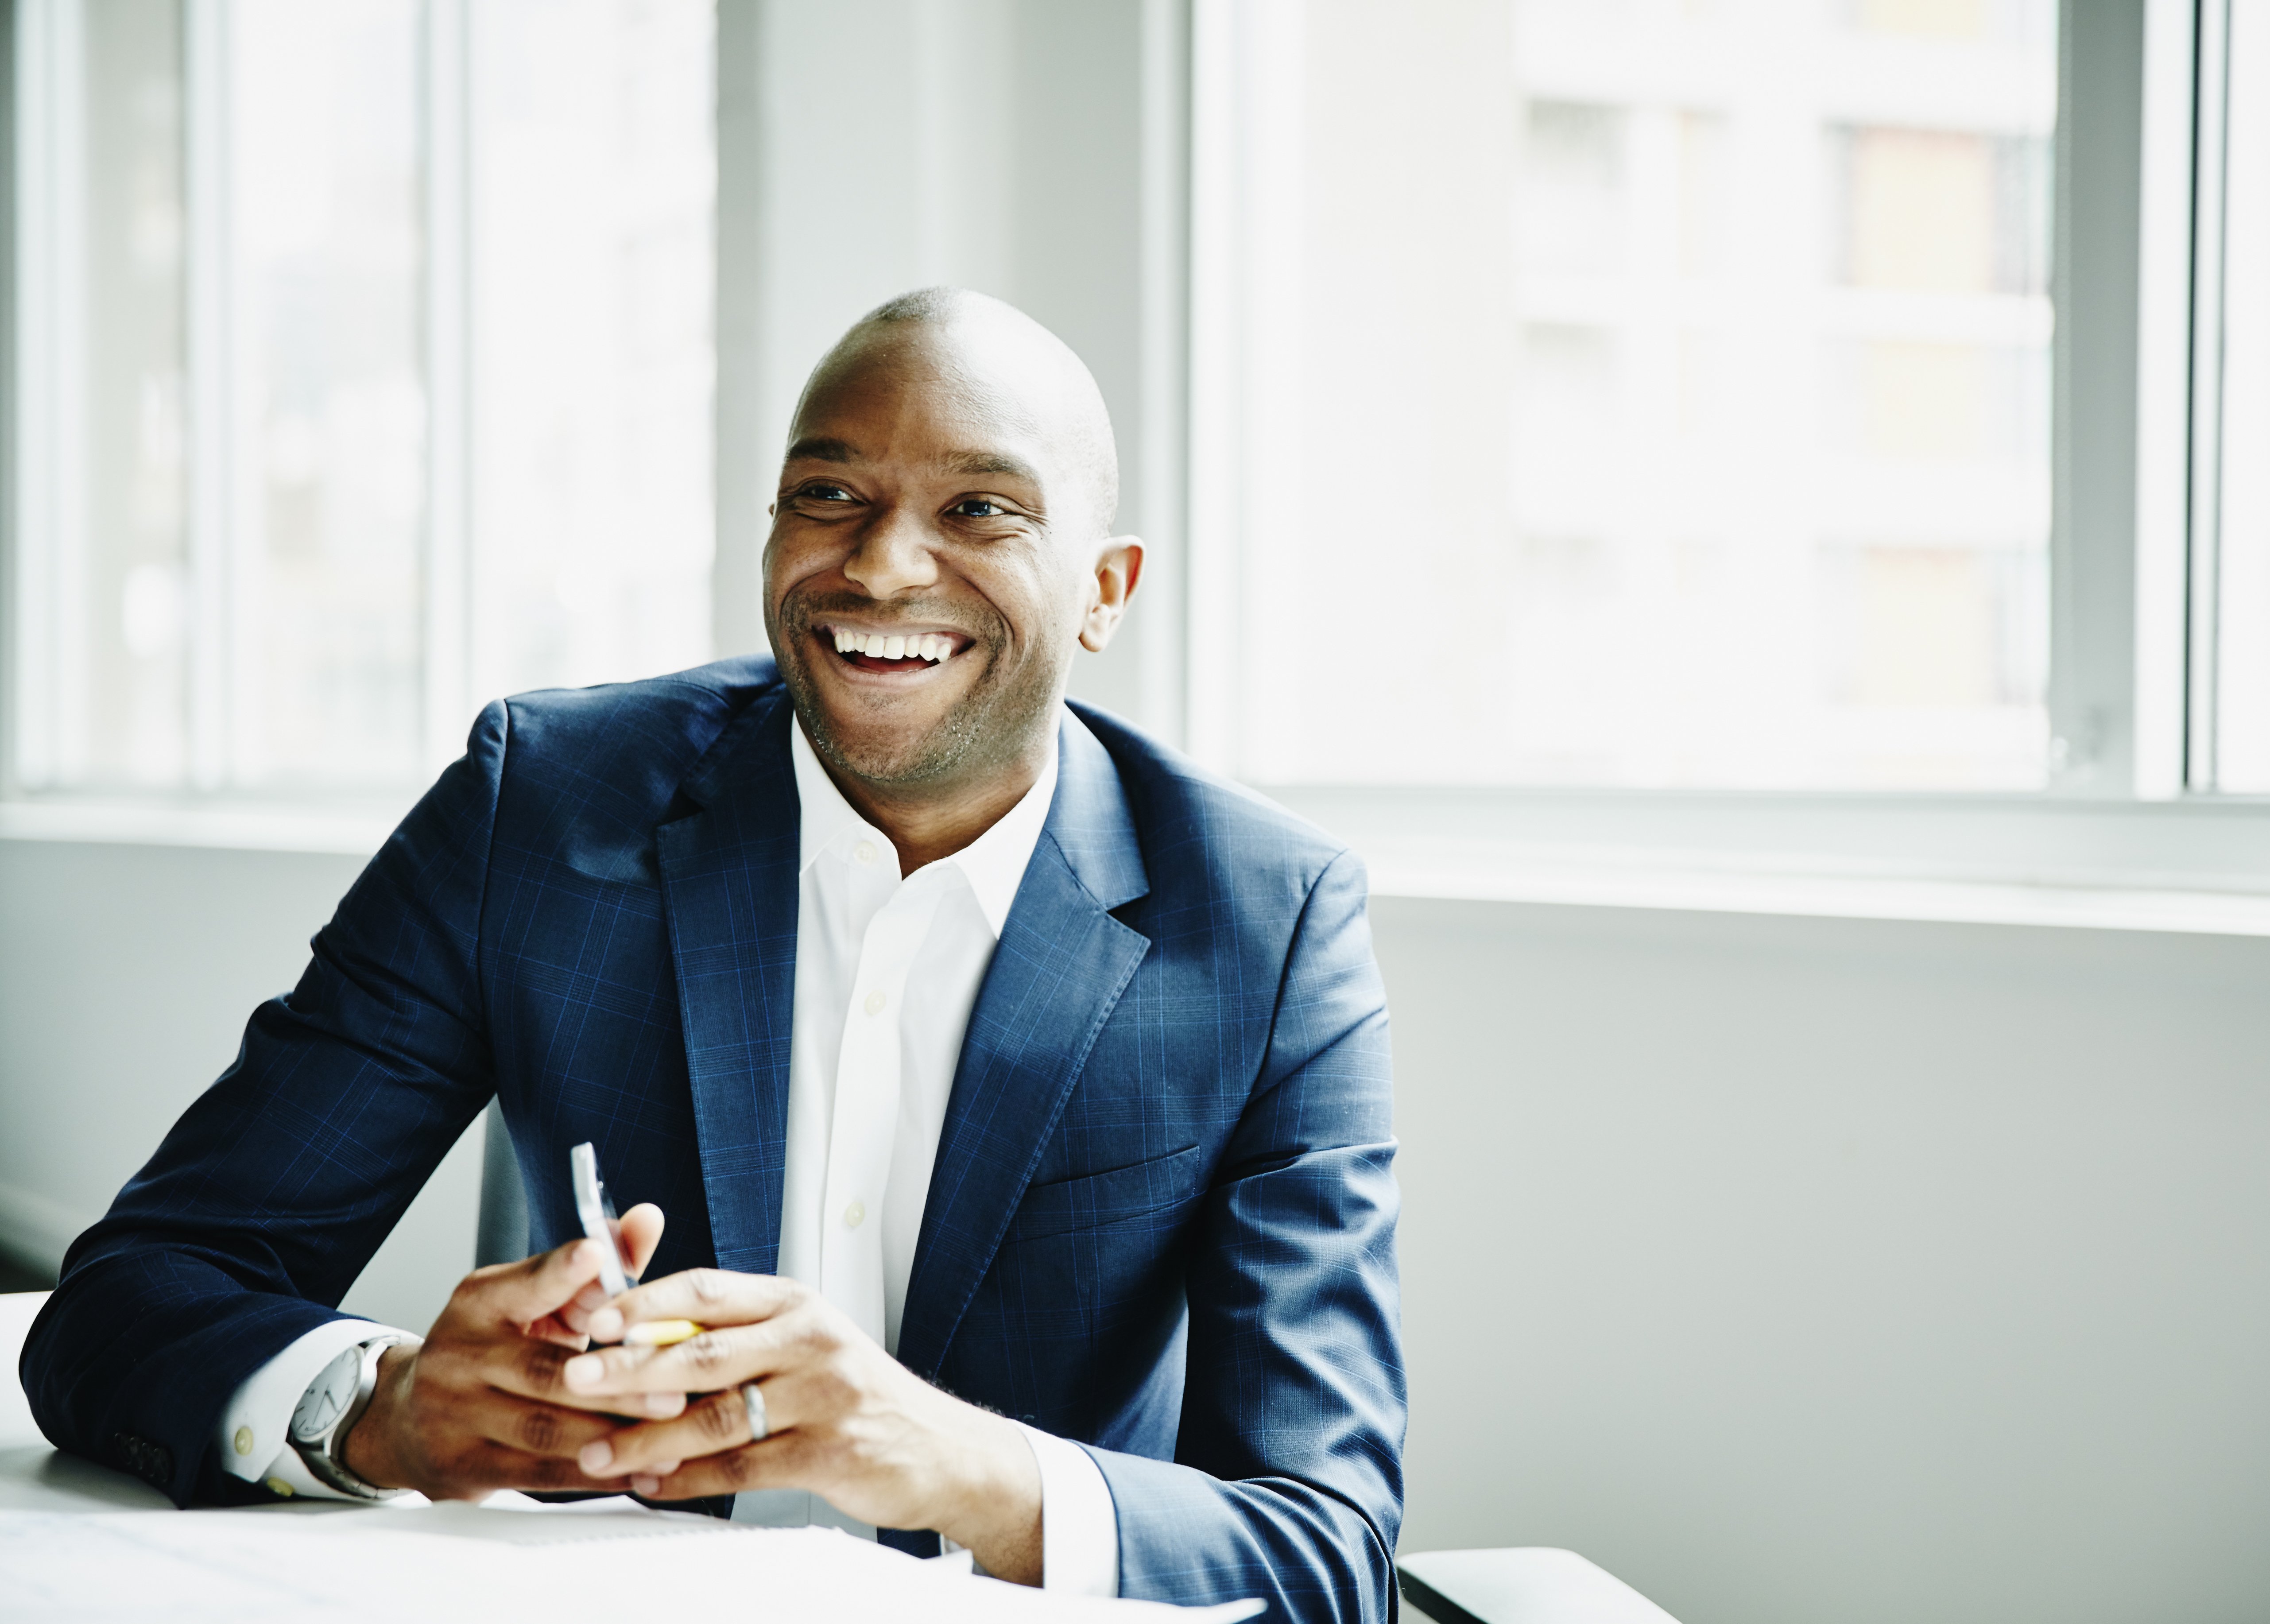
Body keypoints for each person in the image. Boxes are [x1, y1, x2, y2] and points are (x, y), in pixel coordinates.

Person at [20, 289, 1404, 1619]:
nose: (877, 564)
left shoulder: (1265, 925)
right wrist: (383, 1409)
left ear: (1103, 590)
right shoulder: (540, 808)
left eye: (978, 508)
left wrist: (942, 1458)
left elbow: (1325, 1547)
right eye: (827, 495)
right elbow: (125, 1305)